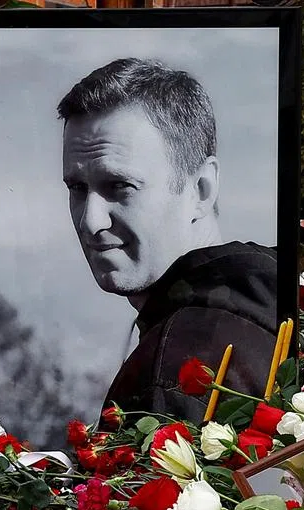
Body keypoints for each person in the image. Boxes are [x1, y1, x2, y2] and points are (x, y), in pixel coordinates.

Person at [58, 57, 280, 423]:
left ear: (201, 189)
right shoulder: (278, 306)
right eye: (77, 188)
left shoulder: (173, 367)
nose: (90, 220)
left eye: (120, 186)